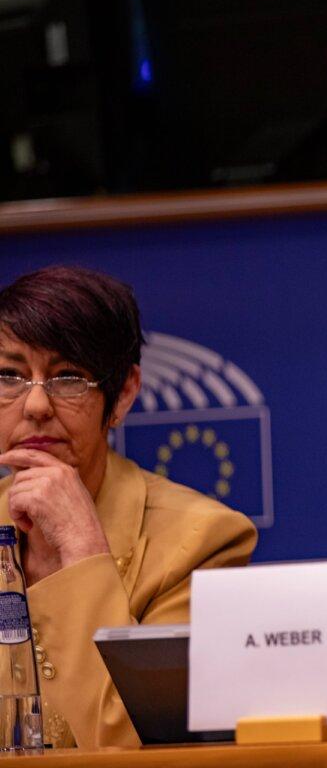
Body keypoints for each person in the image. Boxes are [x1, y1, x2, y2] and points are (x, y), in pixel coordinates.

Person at [0, 266, 257, 749]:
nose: (35, 405)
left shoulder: (204, 542)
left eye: (67, 377)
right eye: (10, 375)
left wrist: (80, 550)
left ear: (122, 396)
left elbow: (140, 748)